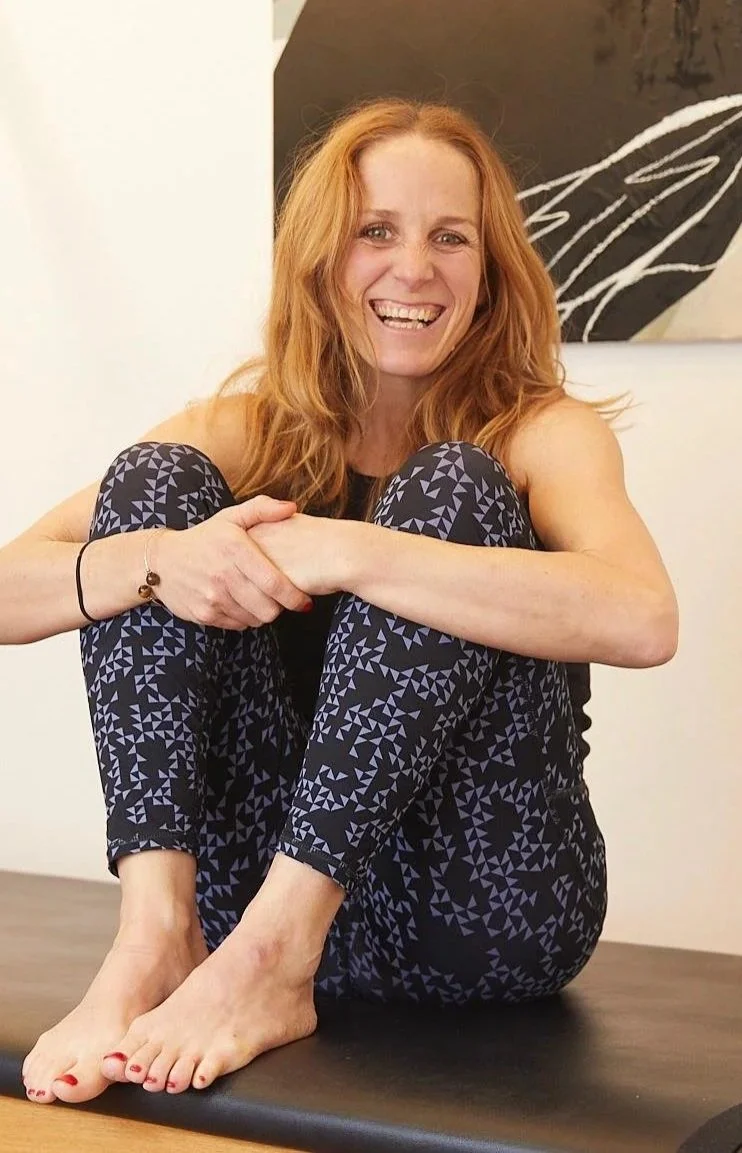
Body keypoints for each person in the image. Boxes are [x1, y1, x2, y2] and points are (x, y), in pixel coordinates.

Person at [2, 98, 678, 1108]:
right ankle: (154, 937)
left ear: (491, 269)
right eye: (377, 231)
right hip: (238, 899)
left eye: (450, 237)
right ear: (322, 259)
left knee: (451, 487)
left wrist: (353, 550)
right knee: (154, 486)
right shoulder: (247, 430)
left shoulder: (539, 433)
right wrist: (159, 562)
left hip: (477, 909)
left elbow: (644, 616)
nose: (414, 269)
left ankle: (277, 957)